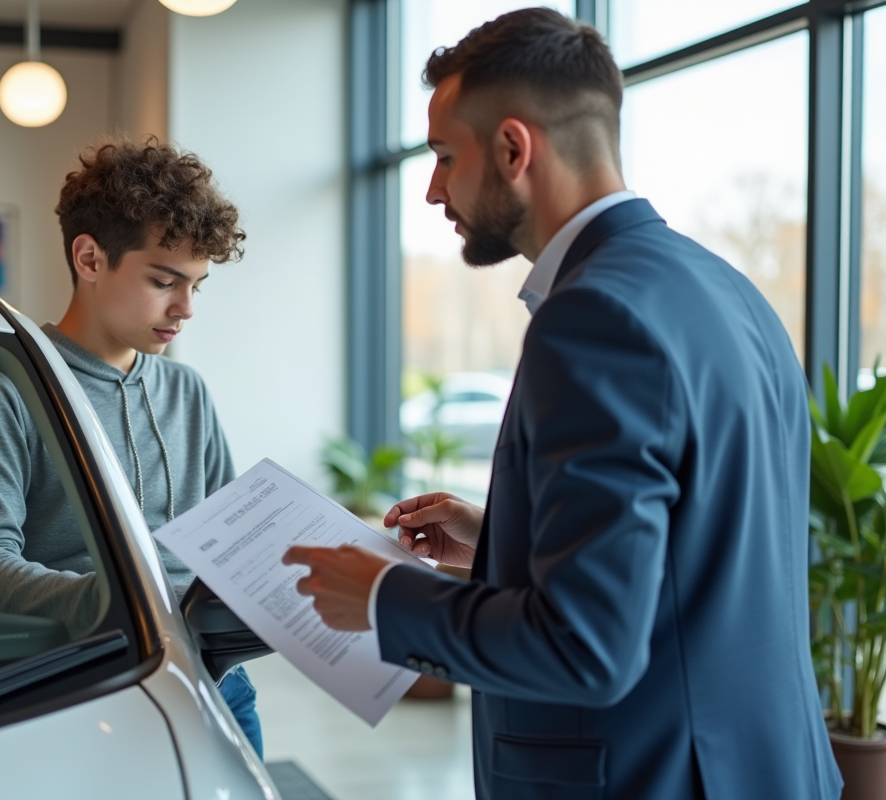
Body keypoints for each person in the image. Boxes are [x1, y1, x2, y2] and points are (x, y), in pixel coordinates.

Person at [284, 9, 840, 799]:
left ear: (514, 148)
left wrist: (381, 598)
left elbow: (589, 649)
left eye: (445, 157)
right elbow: (707, 561)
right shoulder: (726, 289)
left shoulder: (592, 317)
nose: (434, 188)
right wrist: (502, 542)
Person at [0, 137, 262, 757]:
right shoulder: (4, 388)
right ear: (89, 259)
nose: (186, 308)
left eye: (197, 284)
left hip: (218, 679)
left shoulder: (185, 390)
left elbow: (234, 537)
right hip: (92, 681)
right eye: (165, 280)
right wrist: (123, 598)